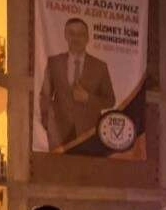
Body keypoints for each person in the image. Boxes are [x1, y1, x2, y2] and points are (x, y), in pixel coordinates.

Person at [40, 17, 116, 151]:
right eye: (72, 33)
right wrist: (47, 123)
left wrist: (88, 98)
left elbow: (110, 100)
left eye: (81, 34)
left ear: (87, 38)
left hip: (89, 133)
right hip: (59, 134)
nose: (76, 38)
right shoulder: (54, 62)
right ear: (65, 36)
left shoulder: (100, 66)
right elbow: (45, 95)